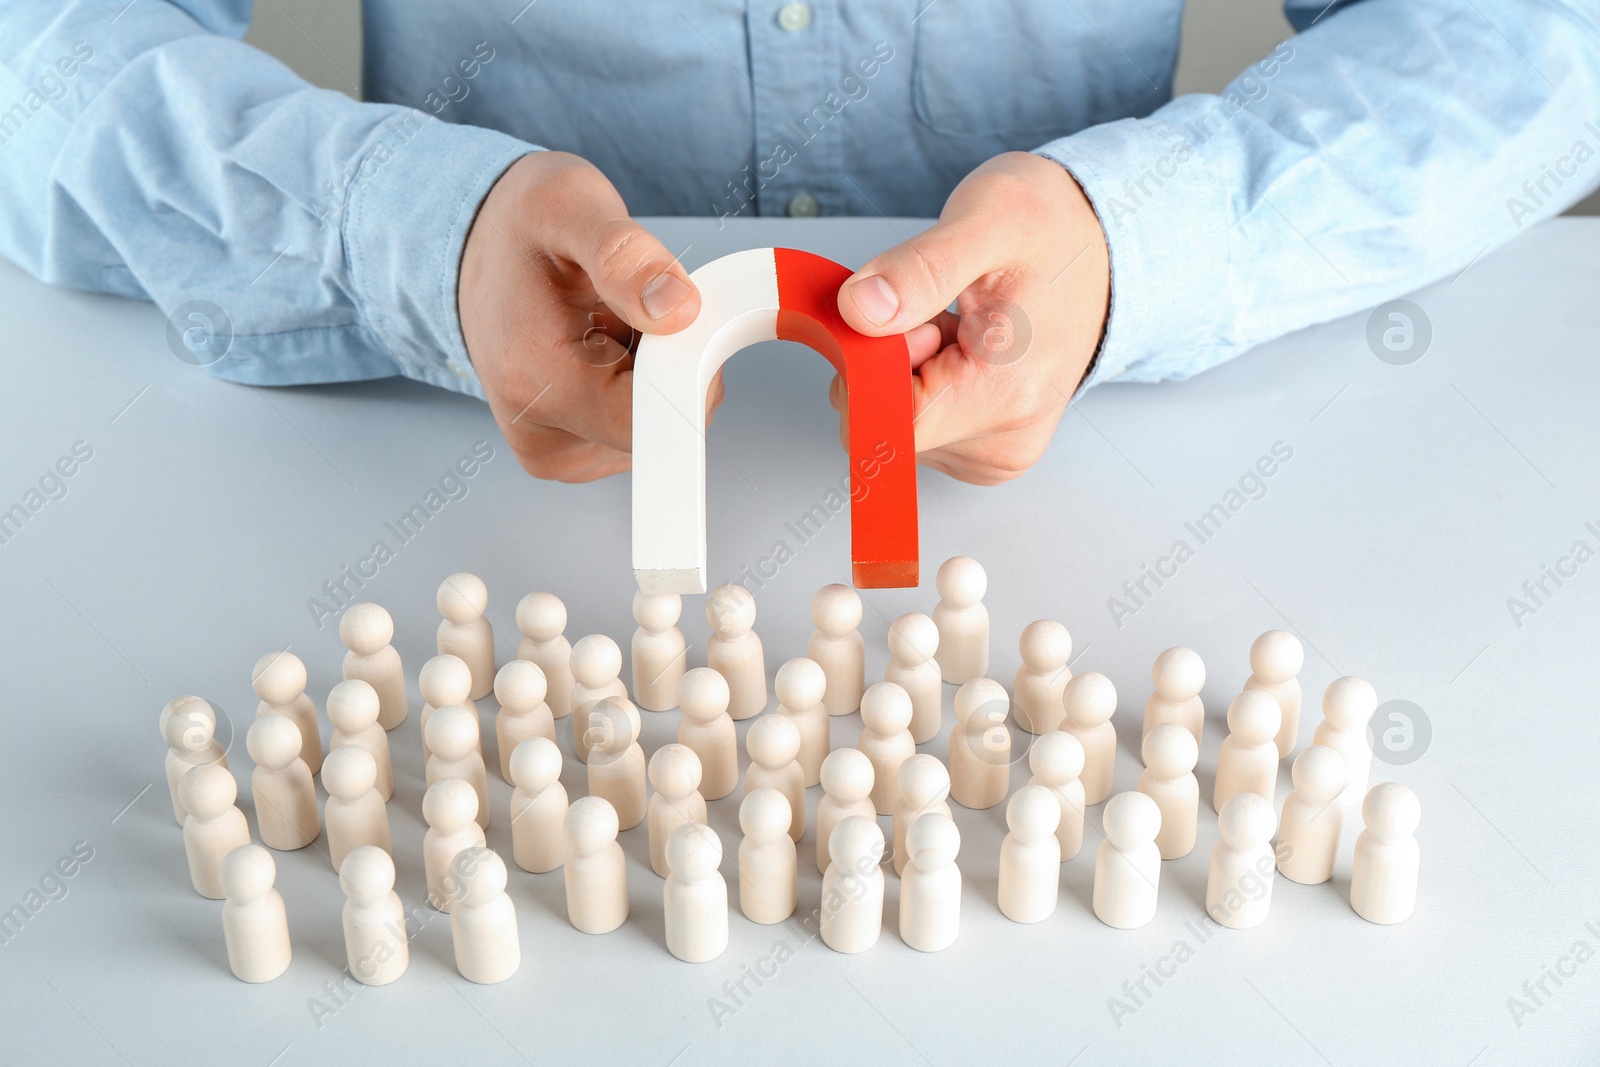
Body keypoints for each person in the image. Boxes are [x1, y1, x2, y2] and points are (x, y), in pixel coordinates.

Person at [1, 2, 1595, 486]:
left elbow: (1540, 37)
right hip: (448, 460)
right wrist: (399, 227)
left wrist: (1152, 246)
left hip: (1106, 468)